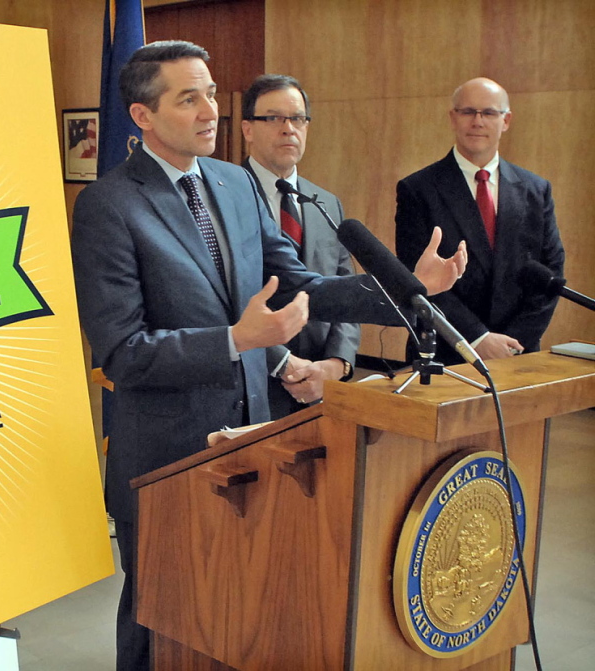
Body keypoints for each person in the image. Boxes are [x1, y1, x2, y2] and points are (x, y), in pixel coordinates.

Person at [70, 41, 466, 671]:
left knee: (240, 615)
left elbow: (302, 283)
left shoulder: (232, 183)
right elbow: (123, 353)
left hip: (254, 446)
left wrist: (407, 289)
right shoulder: (107, 206)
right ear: (142, 117)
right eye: (188, 98)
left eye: (210, 95)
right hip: (169, 461)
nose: (209, 112)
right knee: (161, 623)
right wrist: (236, 341)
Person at [395, 77, 565, 365]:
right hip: (447, 352)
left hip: (519, 354)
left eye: (488, 113)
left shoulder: (536, 190)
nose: (478, 121)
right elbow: (416, 276)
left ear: (506, 120)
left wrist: (515, 343)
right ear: (453, 118)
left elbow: (550, 272)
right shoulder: (417, 189)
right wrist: (478, 337)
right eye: (468, 112)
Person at [240, 74, 359, 419]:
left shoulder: (326, 202)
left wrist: (337, 364)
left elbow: (343, 286)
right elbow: (222, 298)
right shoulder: (223, 197)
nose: (288, 128)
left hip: (322, 388)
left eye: (297, 118)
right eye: (274, 118)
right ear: (248, 128)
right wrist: (285, 365)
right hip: (251, 384)